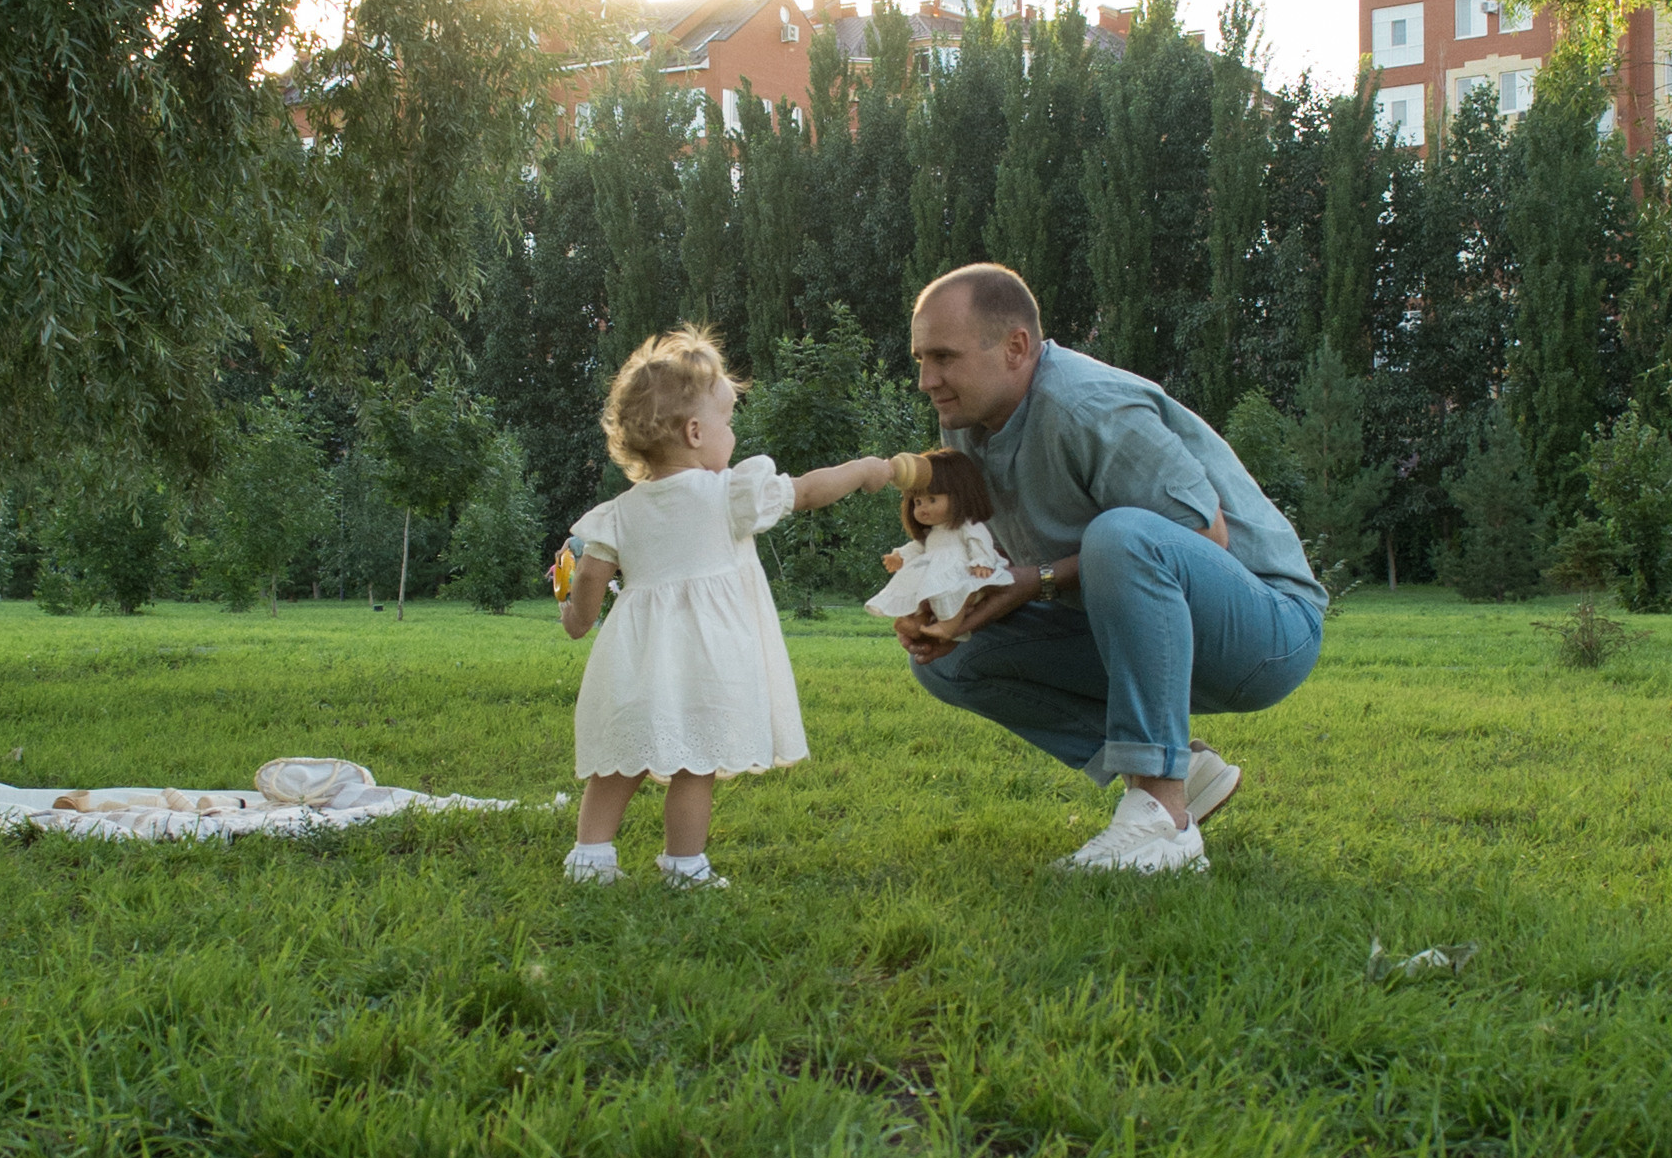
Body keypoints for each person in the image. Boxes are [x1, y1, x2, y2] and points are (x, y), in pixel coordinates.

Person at [893, 262, 1326, 877]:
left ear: (1016, 347)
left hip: (1265, 631)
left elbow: (1203, 536)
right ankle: (1184, 769)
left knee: (1120, 536)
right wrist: (946, 598)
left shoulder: (1086, 407)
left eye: (942, 356)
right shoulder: (969, 421)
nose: (925, 379)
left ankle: (1162, 819)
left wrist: (1038, 582)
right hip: (1136, 628)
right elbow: (999, 546)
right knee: (952, 658)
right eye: (919, 359)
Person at [561, 326, 900, 887]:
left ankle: (590, 856)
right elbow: (809, 490)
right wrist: (864, 470)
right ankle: (684, 863)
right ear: (696, 432)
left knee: (619, 758)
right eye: (727, 422)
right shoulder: (728, 495)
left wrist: (575, 620)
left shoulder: (616, 512)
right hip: (706, 662)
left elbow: (592, 576)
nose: (733, 435)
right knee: (696, 762)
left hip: (636, 659)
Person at [864, 448, 1012, 624]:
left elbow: (979, 541)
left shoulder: (967, 527)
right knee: (913, 588)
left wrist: (981, 561)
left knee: (952, 596)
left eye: (932, 500)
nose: (923, 508)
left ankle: (948, 627)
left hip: (958, 569)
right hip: (931, 568)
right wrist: (900, 556)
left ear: (961, 496)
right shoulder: (931, 534)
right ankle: (918, 619)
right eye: (918, 502)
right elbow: (918, 547)